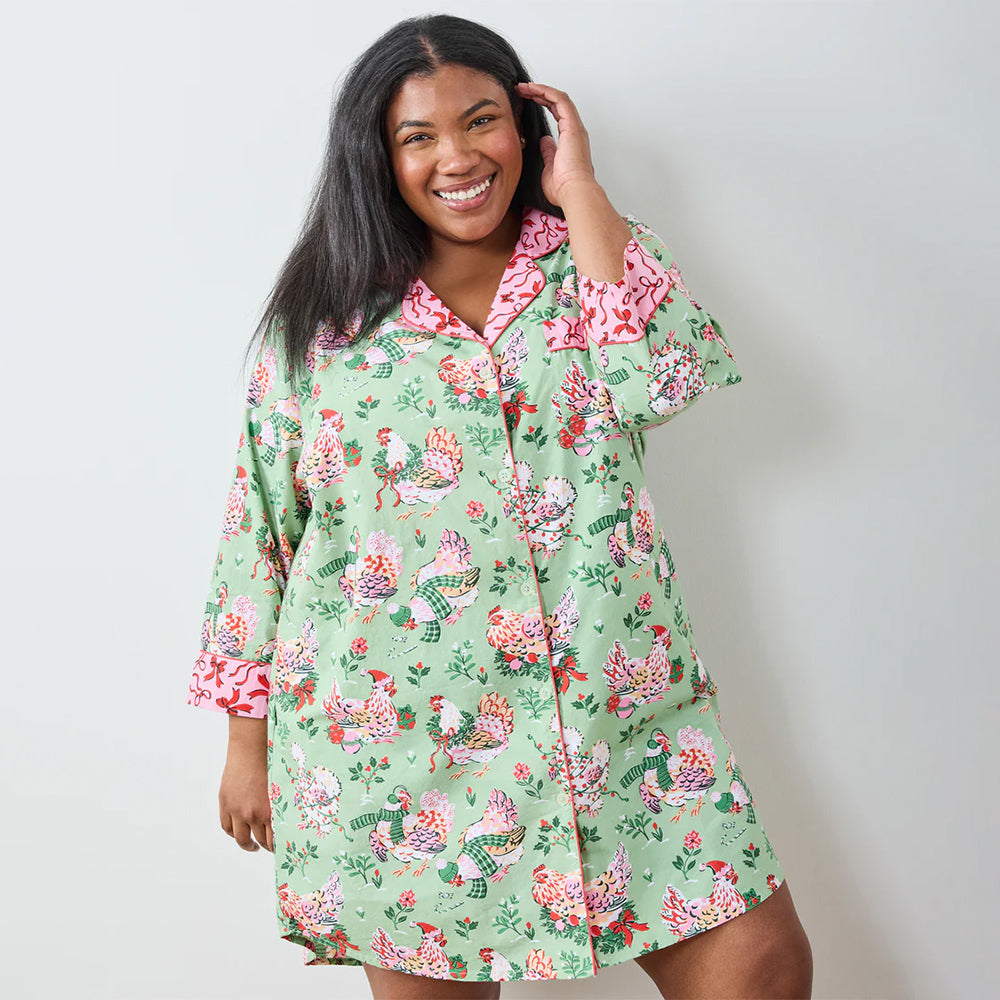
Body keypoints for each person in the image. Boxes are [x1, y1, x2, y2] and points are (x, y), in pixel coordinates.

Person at [186, 13, 812, 1000]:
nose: (456, 156)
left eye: (481, 121)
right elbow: (261, 529)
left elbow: (665, 379)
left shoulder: (597, 259)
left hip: (616, 723)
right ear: (377, 158)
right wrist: (244, 742)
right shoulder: (320, 322)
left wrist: (585, 196)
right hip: (391, 742)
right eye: (417, 136)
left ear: (529, 129)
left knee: (759, 965)